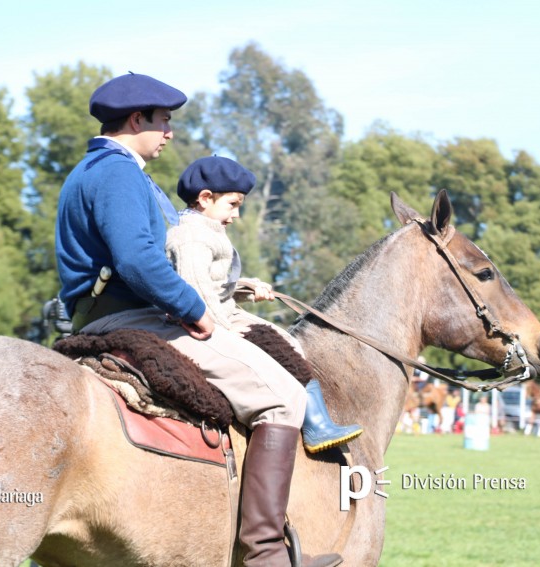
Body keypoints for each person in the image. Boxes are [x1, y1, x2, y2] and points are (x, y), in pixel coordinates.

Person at [55, 73, 342, 567]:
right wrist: (195, 312)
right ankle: (265, 555)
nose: (169, 132)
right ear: (136, 118)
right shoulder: (117, 172)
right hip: (132, 317)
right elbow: (138, 261)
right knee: (285, 398)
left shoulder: (94, 170)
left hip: (101, 314)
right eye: (163, 120)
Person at [165, 155, 362, 453]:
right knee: (274, 349)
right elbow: (198, 293)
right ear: (205, 198)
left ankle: (317, 422)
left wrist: (246, 288)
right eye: (232, 205)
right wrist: (228, 332)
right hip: (214, 322)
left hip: (225, 312)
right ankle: (311, 424)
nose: (236, 215)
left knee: (286, 342)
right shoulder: (191, 237)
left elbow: (215, 285)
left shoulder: (207, 232)